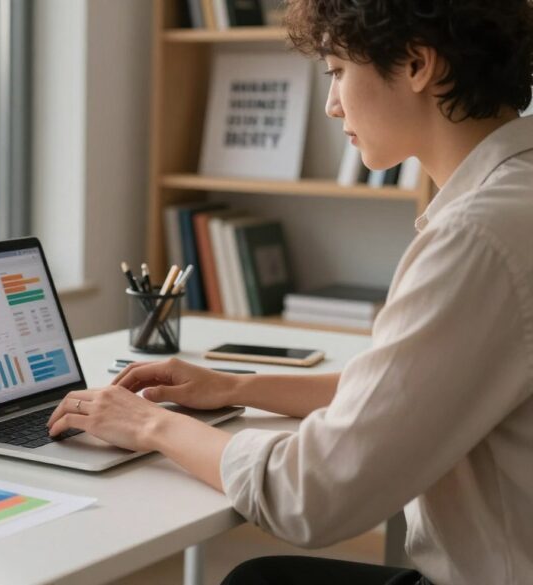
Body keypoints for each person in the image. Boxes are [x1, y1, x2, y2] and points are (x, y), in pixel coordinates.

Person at [46, 1, 533, 583]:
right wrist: (233, 387)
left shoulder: (475, 238)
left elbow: (311, 495)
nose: (332, 104)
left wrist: (149, 425)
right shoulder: (513, 201)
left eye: (337, 72)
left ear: (416, 64)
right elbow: (401, 394)